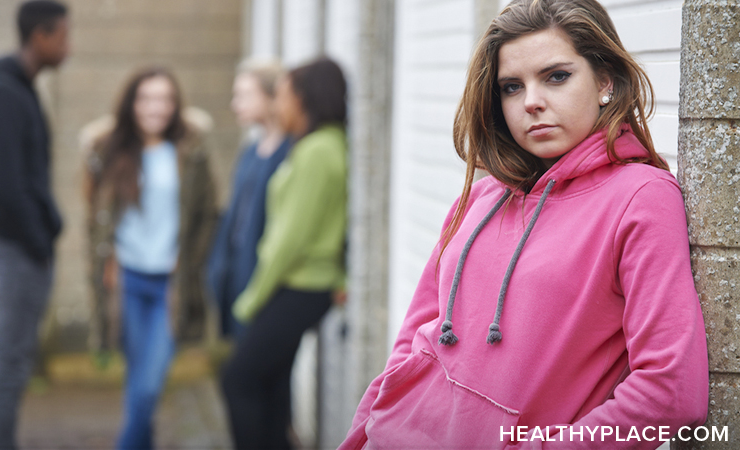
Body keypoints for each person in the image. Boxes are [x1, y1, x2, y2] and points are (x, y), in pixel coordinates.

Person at [340, 1, 709, 449]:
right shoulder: (480, 197)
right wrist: (360, 435)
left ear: (605, 81)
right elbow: (410, 346)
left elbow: (671, 394)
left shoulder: (641, 198)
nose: (531, 102)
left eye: (556, 76)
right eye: (512, 87)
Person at [81, 67, 218, 450]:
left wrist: (190, 258)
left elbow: (208, 214)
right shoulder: (109, 152)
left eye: (165, 99)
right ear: (131, 104)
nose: (156, 107)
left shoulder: (191, 154)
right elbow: (94, 221)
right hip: (125, 282)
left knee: (148, 387)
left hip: (168, 286)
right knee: (138, 384)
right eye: (146, 98)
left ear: (176, 107)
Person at [221, 57, 348, 450]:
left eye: (284, 96)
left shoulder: (316, 151)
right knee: (272, 386)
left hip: (300, 285)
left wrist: (250, 301)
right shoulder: (323, 145)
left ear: (306, 98)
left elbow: (288, 240)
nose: (278, 105)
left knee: (237, 378)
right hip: (305, 285)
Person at [0, 1, 69, 448]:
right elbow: (5, 190)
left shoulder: (19, 89)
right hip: (15, 248)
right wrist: (39, 241)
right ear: (40, 37)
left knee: (14, 364)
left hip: (23, 245)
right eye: (63, 36)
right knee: (9, 367)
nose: (68, 46)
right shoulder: (3, 97)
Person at [207, 59, 291, 339]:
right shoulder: (251, 151)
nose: (235, 104)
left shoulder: (291, 153)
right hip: (237, 275)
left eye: (244, 95)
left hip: (268, 283)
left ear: (271, 97)